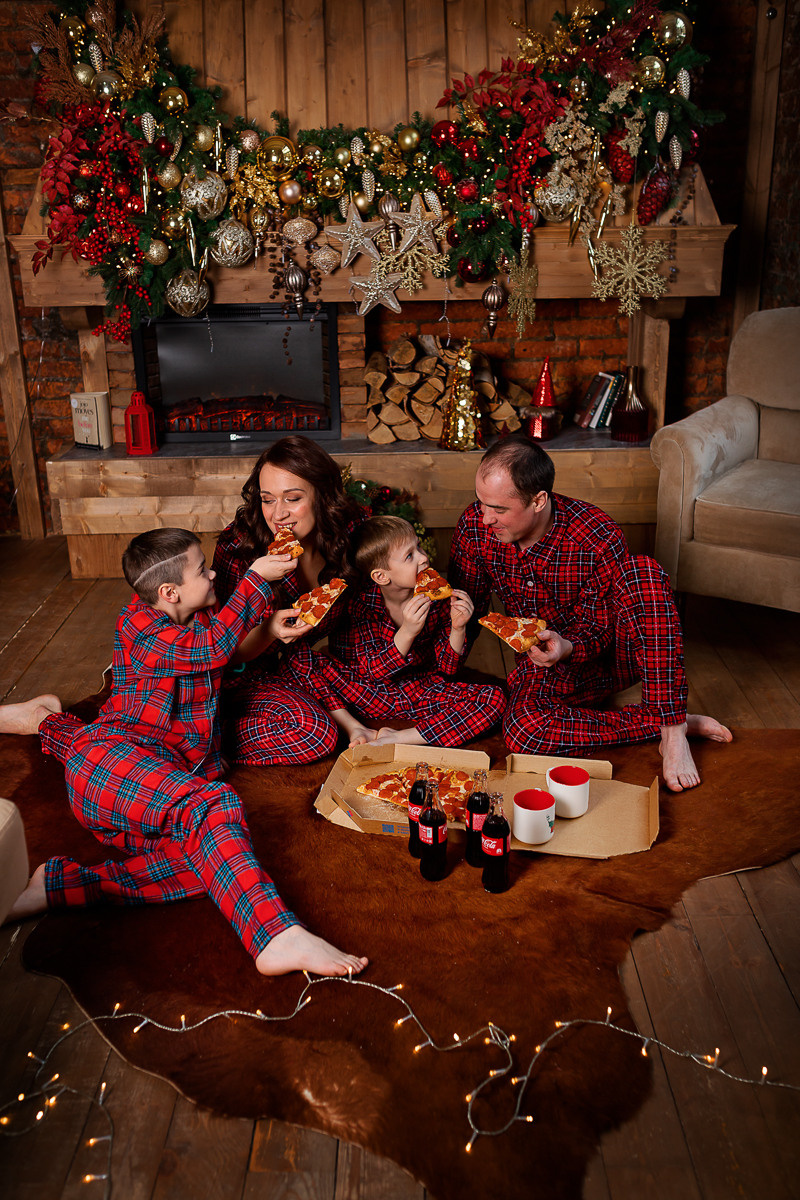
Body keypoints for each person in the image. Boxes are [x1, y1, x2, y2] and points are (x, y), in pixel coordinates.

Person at [1, 528, 368, 979]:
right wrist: (256, 578)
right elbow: (210, 649)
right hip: (113, 758)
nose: (213, 572)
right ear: (169, 591)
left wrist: (269, 629)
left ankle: (62, 885)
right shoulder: (138, 624)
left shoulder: (200, 620)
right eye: (202, 569)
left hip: (177, 769)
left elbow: (225, 652)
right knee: (214, 808)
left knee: (212, 860)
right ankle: (274, 935)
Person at [448, 435, 732, 791]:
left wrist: (568, 646)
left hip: (617, 655)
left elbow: (600, 629)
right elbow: (463, 610)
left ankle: (673, 732)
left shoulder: (596, 534)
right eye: (481, 502)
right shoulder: (475, 527)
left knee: (643, 572)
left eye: (499, 509)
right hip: (548, 665)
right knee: (522, 732)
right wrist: (444, 680)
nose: (485, 517)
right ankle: (659, 722)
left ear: (538, 500)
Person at [213, 436, 374, 758]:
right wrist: (269, 630)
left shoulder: (355, 530)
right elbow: (224, 651)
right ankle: (199, 738)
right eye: (268, 499)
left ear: (323, 497)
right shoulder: (240, 545)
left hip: (312, 665)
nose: (278, 514)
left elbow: (370, 616)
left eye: (293, 498)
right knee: (316, 735)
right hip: (249, 671)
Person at [314, 515, 506, 746]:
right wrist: (407, 632)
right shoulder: (360, 605)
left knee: (494, 699)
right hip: (368, 692)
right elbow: (372, 672)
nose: (424, 558)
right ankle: (355, 728)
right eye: (409, 556)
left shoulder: (436, 598)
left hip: (420, 690)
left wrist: (458, 627)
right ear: (381, 576)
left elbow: (447, 670)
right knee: (299, 658)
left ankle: (400, 738)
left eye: (418, 546)